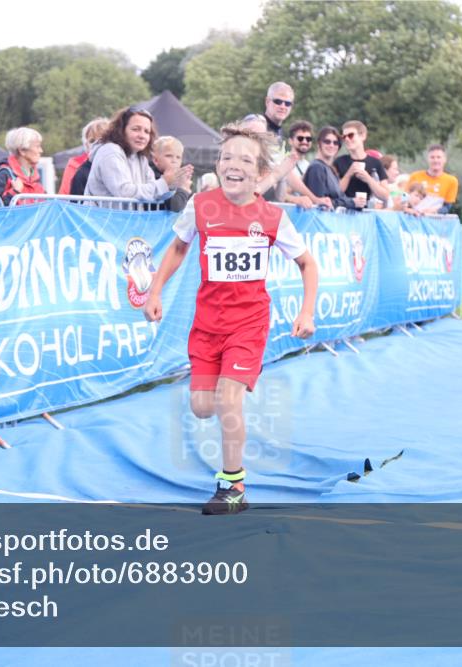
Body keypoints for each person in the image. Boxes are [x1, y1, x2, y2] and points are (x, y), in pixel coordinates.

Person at [144, 124, 318, 515]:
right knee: (203, 407)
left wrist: (306, 311)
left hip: (249, 323)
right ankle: (229, 414)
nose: (233, 164)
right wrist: (155, 291)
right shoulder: (201, 206)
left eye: (244, 159)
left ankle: (233, 486)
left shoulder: (272, 217)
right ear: (218, 166)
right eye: (227, 157)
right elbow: (176, 248)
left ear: (259, 174)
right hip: (207, 326)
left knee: (227, 400)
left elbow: (308, 264)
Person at [85, 106, 192, 203]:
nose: (142, 135)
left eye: (147, 131)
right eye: (136, 129)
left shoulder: (140, 158)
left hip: (124, 222)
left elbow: (152, 193)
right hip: (101, 222)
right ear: (121, 130)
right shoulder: (110, 151)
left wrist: (175, 183)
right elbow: (124, 192)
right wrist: (164, 182)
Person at [303, 126, 359, 210]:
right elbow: (320, 204)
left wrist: (356, 202)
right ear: (319, 144)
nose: (331, 145)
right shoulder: (317, 168)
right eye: (327, 141)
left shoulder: (331, 169)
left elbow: (339, 198)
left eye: (335, 143)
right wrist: (352, 202)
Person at [334, 121, 389, 207]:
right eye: (344, 137)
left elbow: (385, 196)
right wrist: (349, 174)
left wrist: (368, 179)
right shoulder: (339, 161)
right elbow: (334, 192)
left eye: (351, 135)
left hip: (366, 214)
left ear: (363, 136)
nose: (347, 139)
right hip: (343, 213)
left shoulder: (375, 162)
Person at [0, 127, 46, 207]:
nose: (41, 151)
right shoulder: (4, 175)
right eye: (37, 146)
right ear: (22, 150)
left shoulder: (36, 179)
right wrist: (14, 192)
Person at [59, 117, 107, 196]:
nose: (97, 144)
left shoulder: (123, 164)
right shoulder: (77, 167)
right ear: (86, 145)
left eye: (102, 140)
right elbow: (65, 195)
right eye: (92, 141)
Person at [407, 144, 459, 214]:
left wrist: (434, 211)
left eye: (438, 157)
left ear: (444, 159)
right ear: (428, 159)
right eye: (432, 157)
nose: (435, 160)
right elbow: (405, 198)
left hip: (435, 220)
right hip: (414, 218)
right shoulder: (415, 176)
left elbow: (447, 207)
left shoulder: (452, 181)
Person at [150, 136, 192, 212]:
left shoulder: (177, 178)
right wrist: (184, 188)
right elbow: (176, 206)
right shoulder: (154, 177)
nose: (174, 161)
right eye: (169, 156)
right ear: (156, 160)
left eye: (178, 157)